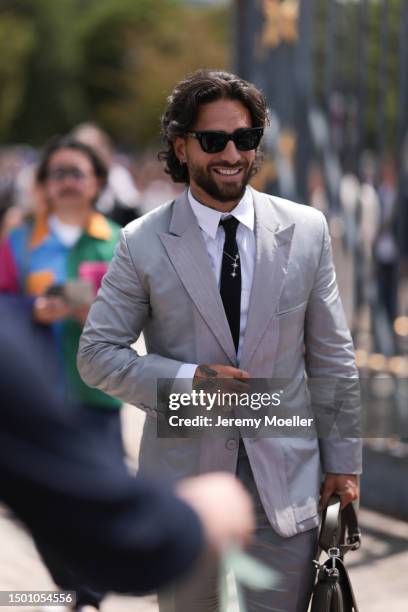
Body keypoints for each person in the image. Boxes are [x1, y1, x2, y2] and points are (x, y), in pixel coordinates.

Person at [78, 69, 362, 612]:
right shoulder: (142, 241)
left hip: (286, 487)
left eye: (245, 138)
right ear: (181, 147)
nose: (232, 153)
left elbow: (331, 358)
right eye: (214, 140)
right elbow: (97, 355)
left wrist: (343, 464)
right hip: (186, 494)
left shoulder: (306, 230)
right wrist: (189, 381)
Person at [0, 331, 254, 602]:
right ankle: (80, 598)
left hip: (86, 408)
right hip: (66, 407)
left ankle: (80, 599)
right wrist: (189, 522)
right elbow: (109, 526)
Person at [0, 136, 123, 610]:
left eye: (78, 173)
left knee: (103, 495)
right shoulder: (19, 241)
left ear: (97, 183)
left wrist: (97, 312)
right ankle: (74, 590)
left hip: (100, 392)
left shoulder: (120, 240)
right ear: (46, 186)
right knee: (43, 509)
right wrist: (37, 308)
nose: (69, 182)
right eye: (59, 174)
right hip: (39, 392)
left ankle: (89, 593)